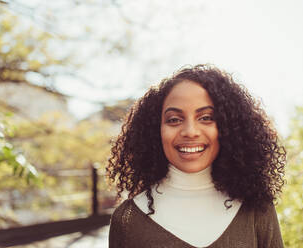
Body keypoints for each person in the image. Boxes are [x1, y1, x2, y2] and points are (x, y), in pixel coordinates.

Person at [107, 64, 286, 248]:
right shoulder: (128, 219)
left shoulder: (256, 209)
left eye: (206, 117)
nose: (190, 132)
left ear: (228, 127)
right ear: (155, 130)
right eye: (174, 120)